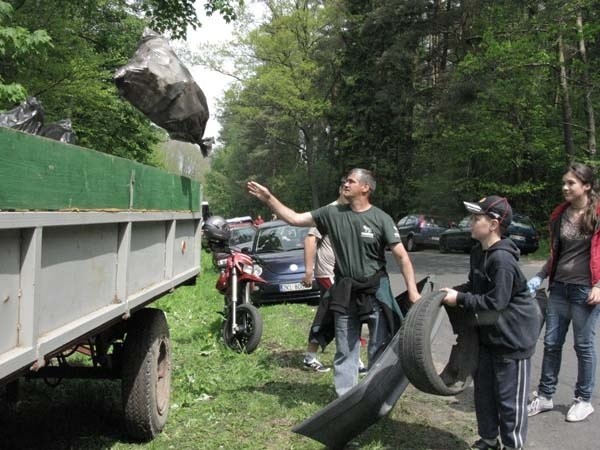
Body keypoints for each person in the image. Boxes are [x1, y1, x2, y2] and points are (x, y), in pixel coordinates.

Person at [248, 168, 420, 396]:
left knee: (380, 344)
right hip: (345, 289)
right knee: (346, 345)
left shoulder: (381, 218)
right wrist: (269, 198)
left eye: (351, 181)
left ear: (365, 188)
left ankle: (376, 394)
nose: (345, 184)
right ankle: (346, 398)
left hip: (376, 288)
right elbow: (295, 218)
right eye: (345, 181)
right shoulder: (332, 213)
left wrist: (413, 292)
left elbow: (402, 257)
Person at [441, 195, 541, 450]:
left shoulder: (502, 260)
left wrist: (460, 298)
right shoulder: (478, 251)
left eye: (477, 218)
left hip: (512, 340)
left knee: (510, 401)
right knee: (484, 394)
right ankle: (488, 440)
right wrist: (448, 293)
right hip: (486, 336)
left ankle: (512, 445)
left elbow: (496, 302)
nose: (471, 223)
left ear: (494, 224)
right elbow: (475, 287)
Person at [527, 162, 600, 423]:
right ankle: (545, 396)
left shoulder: (598, 214)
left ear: (587, 186)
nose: (565, 187)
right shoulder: (560, 215)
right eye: (564, 183)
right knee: (551, 344)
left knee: (583, 346)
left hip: (586, 291)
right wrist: (539, 276)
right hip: (558, 288)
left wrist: (599, 285)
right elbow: (556, 255)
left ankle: (583, 400)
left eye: (571, 183)